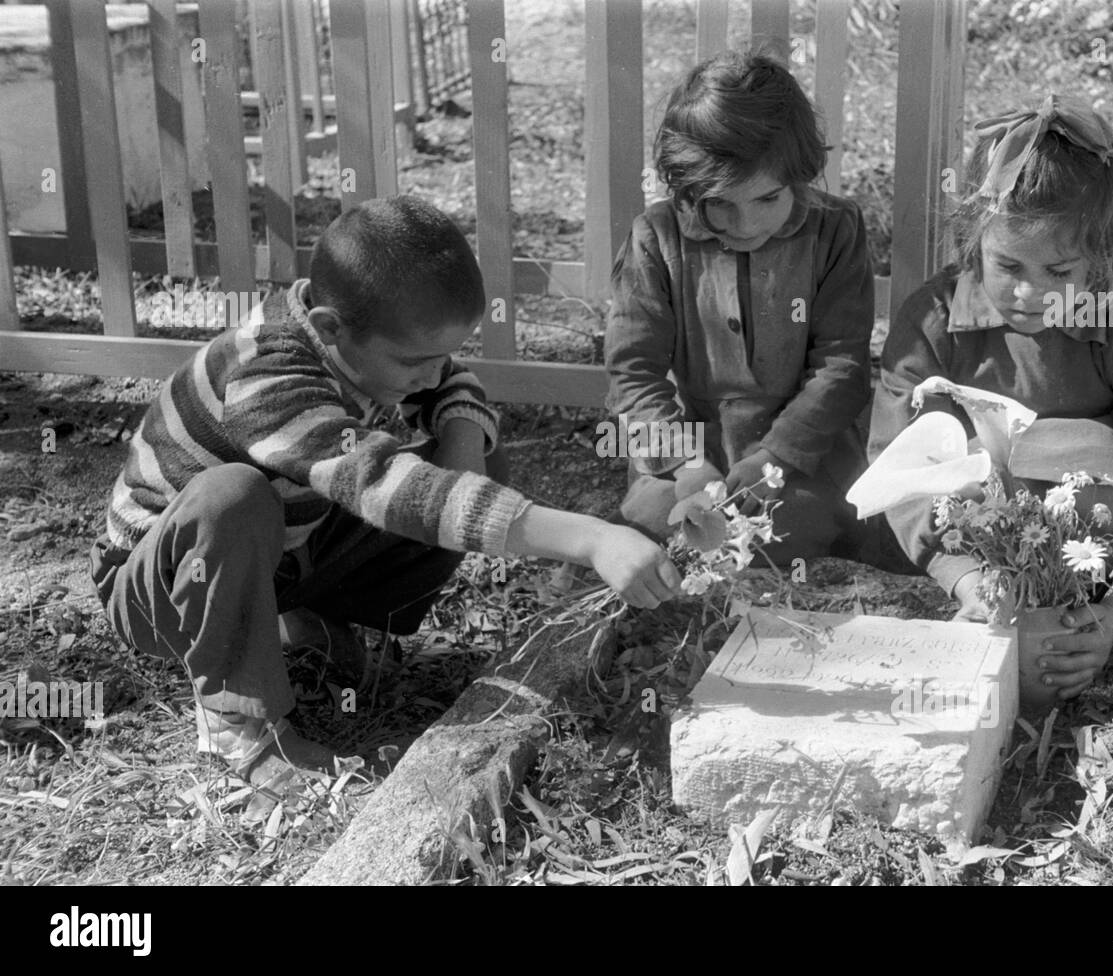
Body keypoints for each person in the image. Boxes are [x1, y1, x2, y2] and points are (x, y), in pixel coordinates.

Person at [89, 196, 681, 801]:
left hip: (277, 556)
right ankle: (239, 724)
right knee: (236, 497)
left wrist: (464, 451)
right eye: (415, 362)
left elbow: (451, 382)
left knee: (464, 446)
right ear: (326, 329)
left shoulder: (364, 329)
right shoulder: (266, 375)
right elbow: (385, 487)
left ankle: (306, 619)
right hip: (163, 591)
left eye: (441, 354)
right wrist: (592, 537)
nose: (432, 374)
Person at [868, 94, 1113, 701]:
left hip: (1099, 511)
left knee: (1105, 489)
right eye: (1006, 264)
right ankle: (1006, 601)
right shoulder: (933, 322)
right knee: (959, 463)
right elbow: (900, 455)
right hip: (988, 516)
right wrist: (963, 577)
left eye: (1060, 272)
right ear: (972, 238)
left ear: (1100, 255)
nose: (1027, 292)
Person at [604, 49, 892, 568]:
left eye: (767, 199)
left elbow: (842, 366)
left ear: (799, 175)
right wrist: (688, 464)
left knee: (783, 536)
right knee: (650, 538)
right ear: (688, 188)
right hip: (688, 451)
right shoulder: (657, 238)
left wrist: (774, 457)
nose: (744, 224)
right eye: (720, 203)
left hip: (803, 452)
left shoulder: (834, 230)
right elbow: (633, 372)